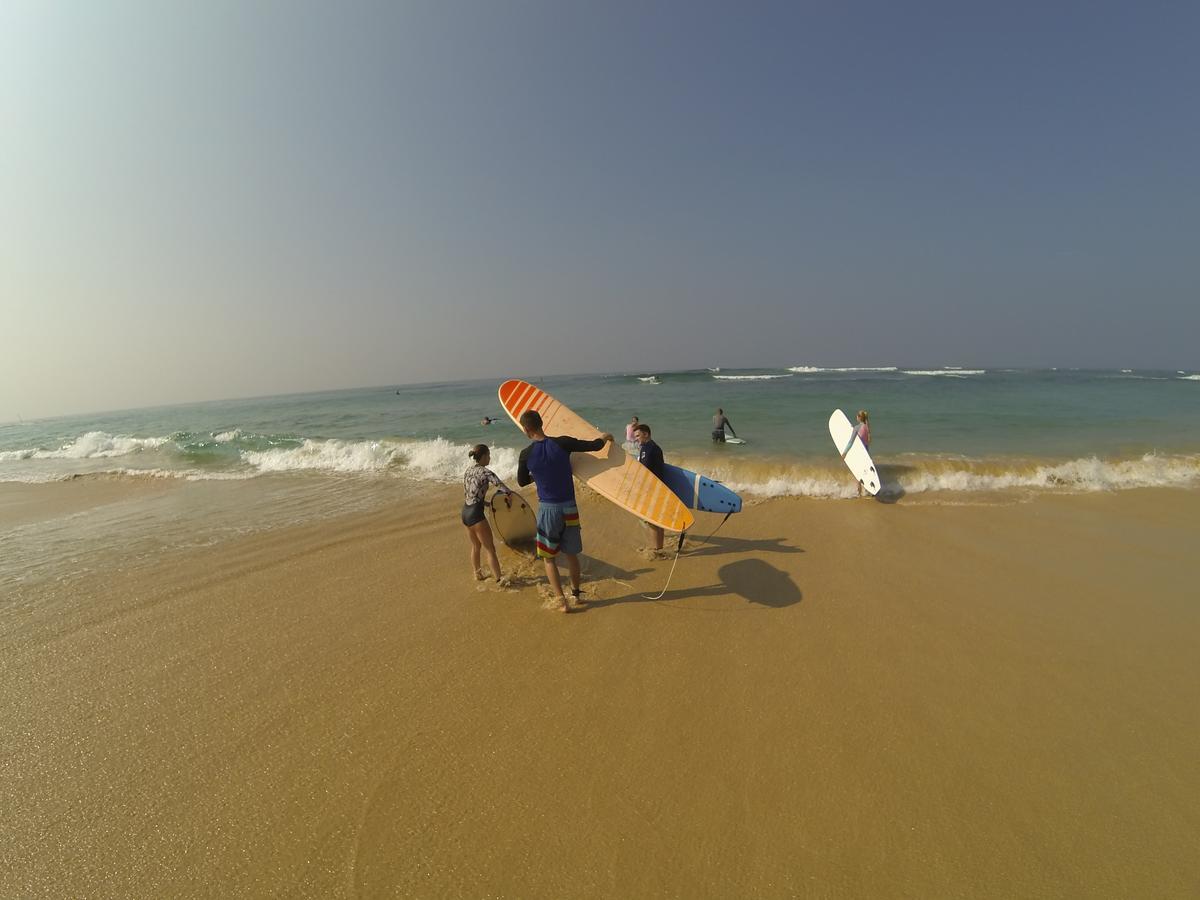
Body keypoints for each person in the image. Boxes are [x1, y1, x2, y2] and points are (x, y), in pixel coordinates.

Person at [516, 409, 613, 612]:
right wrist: (605, 437)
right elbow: (594, 446)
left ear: (526, 430)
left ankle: (562, 601)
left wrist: (540, 475)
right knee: (571, 555)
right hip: (569, 508)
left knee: (549, 557)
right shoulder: (563, 443)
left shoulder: (526, 455)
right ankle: (576, 595)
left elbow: (522, 481)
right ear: (542, 423)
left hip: (548, 510)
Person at [462, 444, 514, 583]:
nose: (490, 458)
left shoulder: (468, 471)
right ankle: (499, 579)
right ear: (484, 456)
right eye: (489, 455)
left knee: (476, 546)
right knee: (490, 549)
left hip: (466, 513)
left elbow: (471, 495)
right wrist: (510, 496)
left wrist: (487, 504)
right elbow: (503, 487)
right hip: (476, 516)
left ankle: (477, 573)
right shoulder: (486, 472)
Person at [633, 423, 665, 551]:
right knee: (657, 520)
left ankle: (655, 549)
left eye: (638, 435)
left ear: (646, 434)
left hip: (653, 489)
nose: (636, 439)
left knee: (652, 521)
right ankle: (659, 547)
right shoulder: (650, 447)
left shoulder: (649, 448)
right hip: (657, 487)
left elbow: (644, 470)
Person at [842, 410, 872, 497]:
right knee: (864, 472)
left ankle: (858, 492)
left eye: (857, 416)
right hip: (866, 454)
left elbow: (850, 442)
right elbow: (865, 441)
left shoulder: (857, 428)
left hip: (860, 455)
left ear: (859, 417)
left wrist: (845, 453)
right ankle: (866, 491)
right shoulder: (867, 427)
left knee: (857, 473)